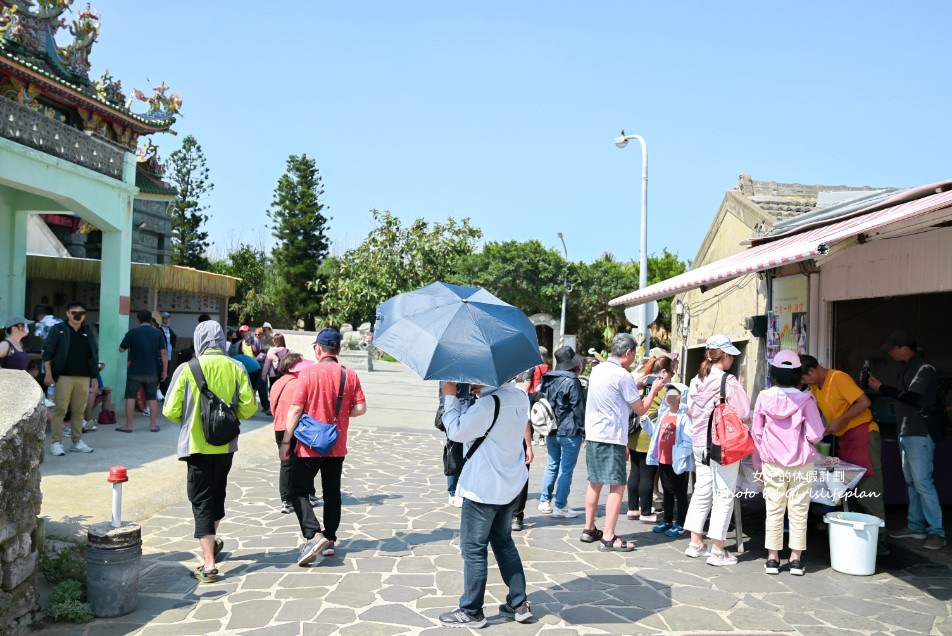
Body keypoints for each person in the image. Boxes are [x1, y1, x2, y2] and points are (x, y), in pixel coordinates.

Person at [163, 320, 257, 582]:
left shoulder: (186, 369)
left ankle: (209, 564)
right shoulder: (236, 367)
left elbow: (169, 411)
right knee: (217, 495)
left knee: (201, 501)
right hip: (225, 445)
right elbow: (249, 409)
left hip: (196, 447)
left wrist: (191, 416)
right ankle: (211, 543)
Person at [437, 378, 533, 628]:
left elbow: (456, 431)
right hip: (510, 483)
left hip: (484, 487)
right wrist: (483, 393)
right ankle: (518, 603)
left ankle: (471, 610)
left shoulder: (490, 404)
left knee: (473, 548)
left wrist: (450, 397)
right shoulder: (520, 396)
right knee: (504, 542)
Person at [281, 329, 367, 566]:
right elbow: (361, 409)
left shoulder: (307, 374)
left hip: (309, 445)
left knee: (297, 489)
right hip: (336, 444)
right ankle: (329, 538)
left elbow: (296, 409)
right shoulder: (350, 375)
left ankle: (313, 534)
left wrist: (286, 441)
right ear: (338, 350)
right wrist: (340, 416)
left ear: (318, 349)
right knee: (332, 494)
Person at [582, 332, 666, 552]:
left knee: (594, 482)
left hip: (594, 433)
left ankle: (589, 528)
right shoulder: (622, 376)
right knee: (617, 486)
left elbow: (613, 395)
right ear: (628, 352)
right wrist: (654, 390)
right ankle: (609, 536)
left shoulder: (598, 370)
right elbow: (641, 410)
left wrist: (635, 385)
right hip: (611, 436)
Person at [799, 354, 887, 552]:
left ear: (812, 371)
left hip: (863, 433)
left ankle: (880, 539)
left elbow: (864, 402)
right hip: (845, 438)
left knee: (868, 487)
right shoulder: (814, 387)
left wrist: (841, 420)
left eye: (803, 378)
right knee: (850, 487)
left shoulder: (838, 377)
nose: (802, 383)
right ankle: (861, 536)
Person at [869, 331, 946, 550]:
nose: (891, 352)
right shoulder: (908, 367)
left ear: (905, 347)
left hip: (919, 433)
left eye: (893, 348)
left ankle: (937, 532)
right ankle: (916, 526)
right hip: (906, 432)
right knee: (913, 482)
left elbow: (911, 398)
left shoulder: (924, 369)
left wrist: (881, 388)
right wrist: (882, 387)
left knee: (923, 482)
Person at [751, 351, 825, 576]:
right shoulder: (807, 399)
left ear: (773, 374)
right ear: (797, 375)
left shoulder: (764, 397)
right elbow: (816, 434)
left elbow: (756, 432)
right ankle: (795, 560)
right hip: (801, 463)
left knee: (773, 509)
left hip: (772, 462)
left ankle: (772, 559)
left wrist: (761, 459)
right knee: (799, 510)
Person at [682, 334, 751, 566]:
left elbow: (691, 411)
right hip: (722, 444)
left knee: (702, 490)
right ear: (727, 356)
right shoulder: (728, 381)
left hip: (699, 442)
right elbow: (743, 412)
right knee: (723, 494)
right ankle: (718, 550)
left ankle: (695, 543)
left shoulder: (696, 380)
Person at [42, 302, 99, 456]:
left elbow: (93, 354)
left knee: (79, 410)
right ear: (67, 313)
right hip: (63, 376)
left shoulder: (87, 331)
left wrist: (94, 376)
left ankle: (77, 441)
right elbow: (48, 352)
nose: (77, 315)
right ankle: (56, 443)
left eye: (81, 312)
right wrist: (48, 374)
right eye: (74, 312)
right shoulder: (58, 330)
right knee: (60, 410)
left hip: (83, 377)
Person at [536, 345, 586, 519]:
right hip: (570, 431)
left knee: (552, 466)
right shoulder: (573, 381)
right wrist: (584, 431)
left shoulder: (548, 378)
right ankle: (560, 505)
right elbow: (578, 409)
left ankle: (544, 501)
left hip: (551, 430)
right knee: (566, 470)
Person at [269, 353, 321, 513]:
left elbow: (272, 407)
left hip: (279, 426)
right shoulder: (298, 384)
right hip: (295, 427)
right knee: (304, 462)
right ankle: (307, 494)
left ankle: (286, 500)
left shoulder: (277, 383)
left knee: (286, 465)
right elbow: (301, 408)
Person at [628, 355, 675, 523]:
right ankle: (646, 512)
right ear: (663, 372)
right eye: (671, 373)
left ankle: (633, 508)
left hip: (633, 433)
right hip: (650, 434)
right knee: (647, 475)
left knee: (635, 471)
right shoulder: (664, 388)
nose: (671, 376)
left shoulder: (640, 382)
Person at [645, 382, 694, 538]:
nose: (670, 398)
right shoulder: (663, 415)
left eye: (674, 396)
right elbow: (655, 435)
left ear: (680, 398)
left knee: (680, 493)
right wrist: (646, 424)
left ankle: (681, 523)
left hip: (677, 462)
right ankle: (667, 520)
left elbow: (689, 441)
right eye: (668, 395)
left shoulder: (684, 418)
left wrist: (679, 453)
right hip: (663, 460)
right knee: (667, 491)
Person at [118, 309, 168, 433]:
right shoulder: (157, 334)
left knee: (130, 397)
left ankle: (129, 425)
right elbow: (164, 353)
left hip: (134, 370)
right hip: (152, 371)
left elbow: (121, 349)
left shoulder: (132, 333)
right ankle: (152, 425)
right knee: (152, 398)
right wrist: (165, 371)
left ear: (138, 320)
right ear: (150, 319)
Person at [232, 350, 270, 416]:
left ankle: (247, 407)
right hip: (258, 368)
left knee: (247, 390)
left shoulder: (232, 359)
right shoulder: (242, 356)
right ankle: (266, 407)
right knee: (261, 389)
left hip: (251, 371)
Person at [159, 311, 177, 395]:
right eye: (164, 318)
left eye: (167, 318)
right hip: (160, 356)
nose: (166, 320)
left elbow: (172, 342)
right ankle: (163, 392)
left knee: (167, 373)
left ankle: (164, 392)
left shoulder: (170, 330)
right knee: (161, 373)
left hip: (169, 355)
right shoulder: (158, 330)